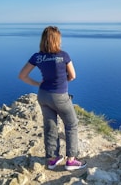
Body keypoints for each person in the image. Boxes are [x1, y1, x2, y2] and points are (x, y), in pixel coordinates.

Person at [18, 26, 86, 171]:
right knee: (71, 124)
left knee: (50, 127)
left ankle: (52, 159)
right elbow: (73, 76)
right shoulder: (64, 55)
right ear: (57, 39)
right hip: (60, 96)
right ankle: (71, 160)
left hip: (43, 95)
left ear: (43, 39)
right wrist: (62, 80)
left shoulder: (37, 57)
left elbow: (22, 76)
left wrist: (37, 83)